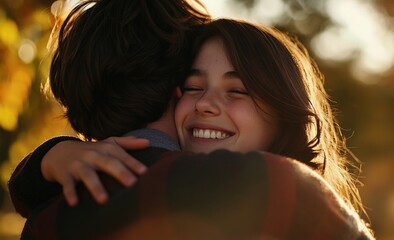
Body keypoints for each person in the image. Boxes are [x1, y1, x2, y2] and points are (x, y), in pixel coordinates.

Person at [8, 0, 374, 239]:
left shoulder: (44, 220)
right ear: (175, 86)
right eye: (195, 85)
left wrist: (45, 160)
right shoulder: (271, 186)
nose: (207, 104)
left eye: (237, 90)